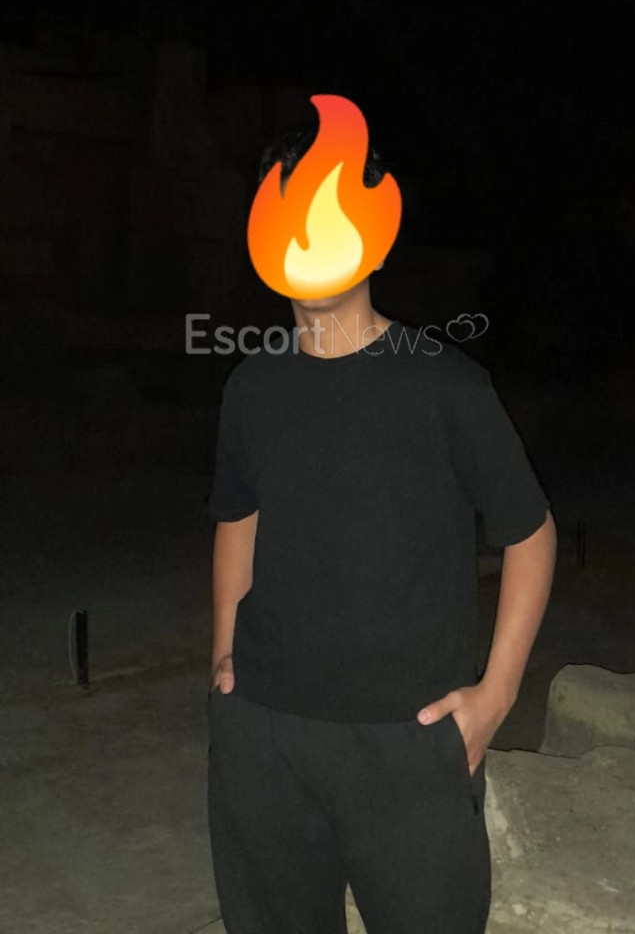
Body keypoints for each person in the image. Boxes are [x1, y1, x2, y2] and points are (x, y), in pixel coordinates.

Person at [206, 130, 557, 934]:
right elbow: (236, 515)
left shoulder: (445, 385)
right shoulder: (252, 386)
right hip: (263, 736)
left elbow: (529, 532)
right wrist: (223, 658)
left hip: (411, 738)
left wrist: (497, 694)